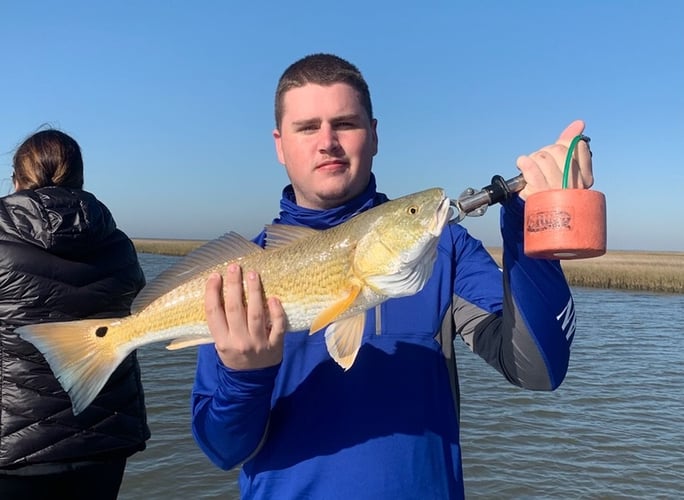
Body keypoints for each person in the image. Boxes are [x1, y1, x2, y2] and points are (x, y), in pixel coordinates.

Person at [191, 54, 593, 499]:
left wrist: (529, 222)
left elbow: (538, 369)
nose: (327, 142)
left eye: (345, 123)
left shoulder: (445, 249)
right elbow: (223, 450)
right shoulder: (240, 281)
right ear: (279, 144)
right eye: (307, 128)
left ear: (375, 134)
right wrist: (246, 374)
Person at [0, 129, 150, 499]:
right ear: (81, 181)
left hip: (13, 448)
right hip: (106, 439)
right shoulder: (119, 245)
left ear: (16, 181)